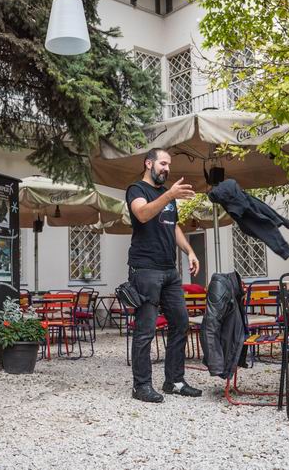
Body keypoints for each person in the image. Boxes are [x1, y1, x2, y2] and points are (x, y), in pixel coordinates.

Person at [126, 148, 202, 403]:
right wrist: (169, 194)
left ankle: (174, 382)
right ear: (148, 163)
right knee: (146, 329)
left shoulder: (167, 195)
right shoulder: (136, 189)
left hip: (170, 270)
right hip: (146, 269)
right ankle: (141, 386)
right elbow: (142, 214)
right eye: (163, 163)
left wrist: (190, 251)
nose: (167, 169)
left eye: (169, 165)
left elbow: (173, 226)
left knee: (180, 323)